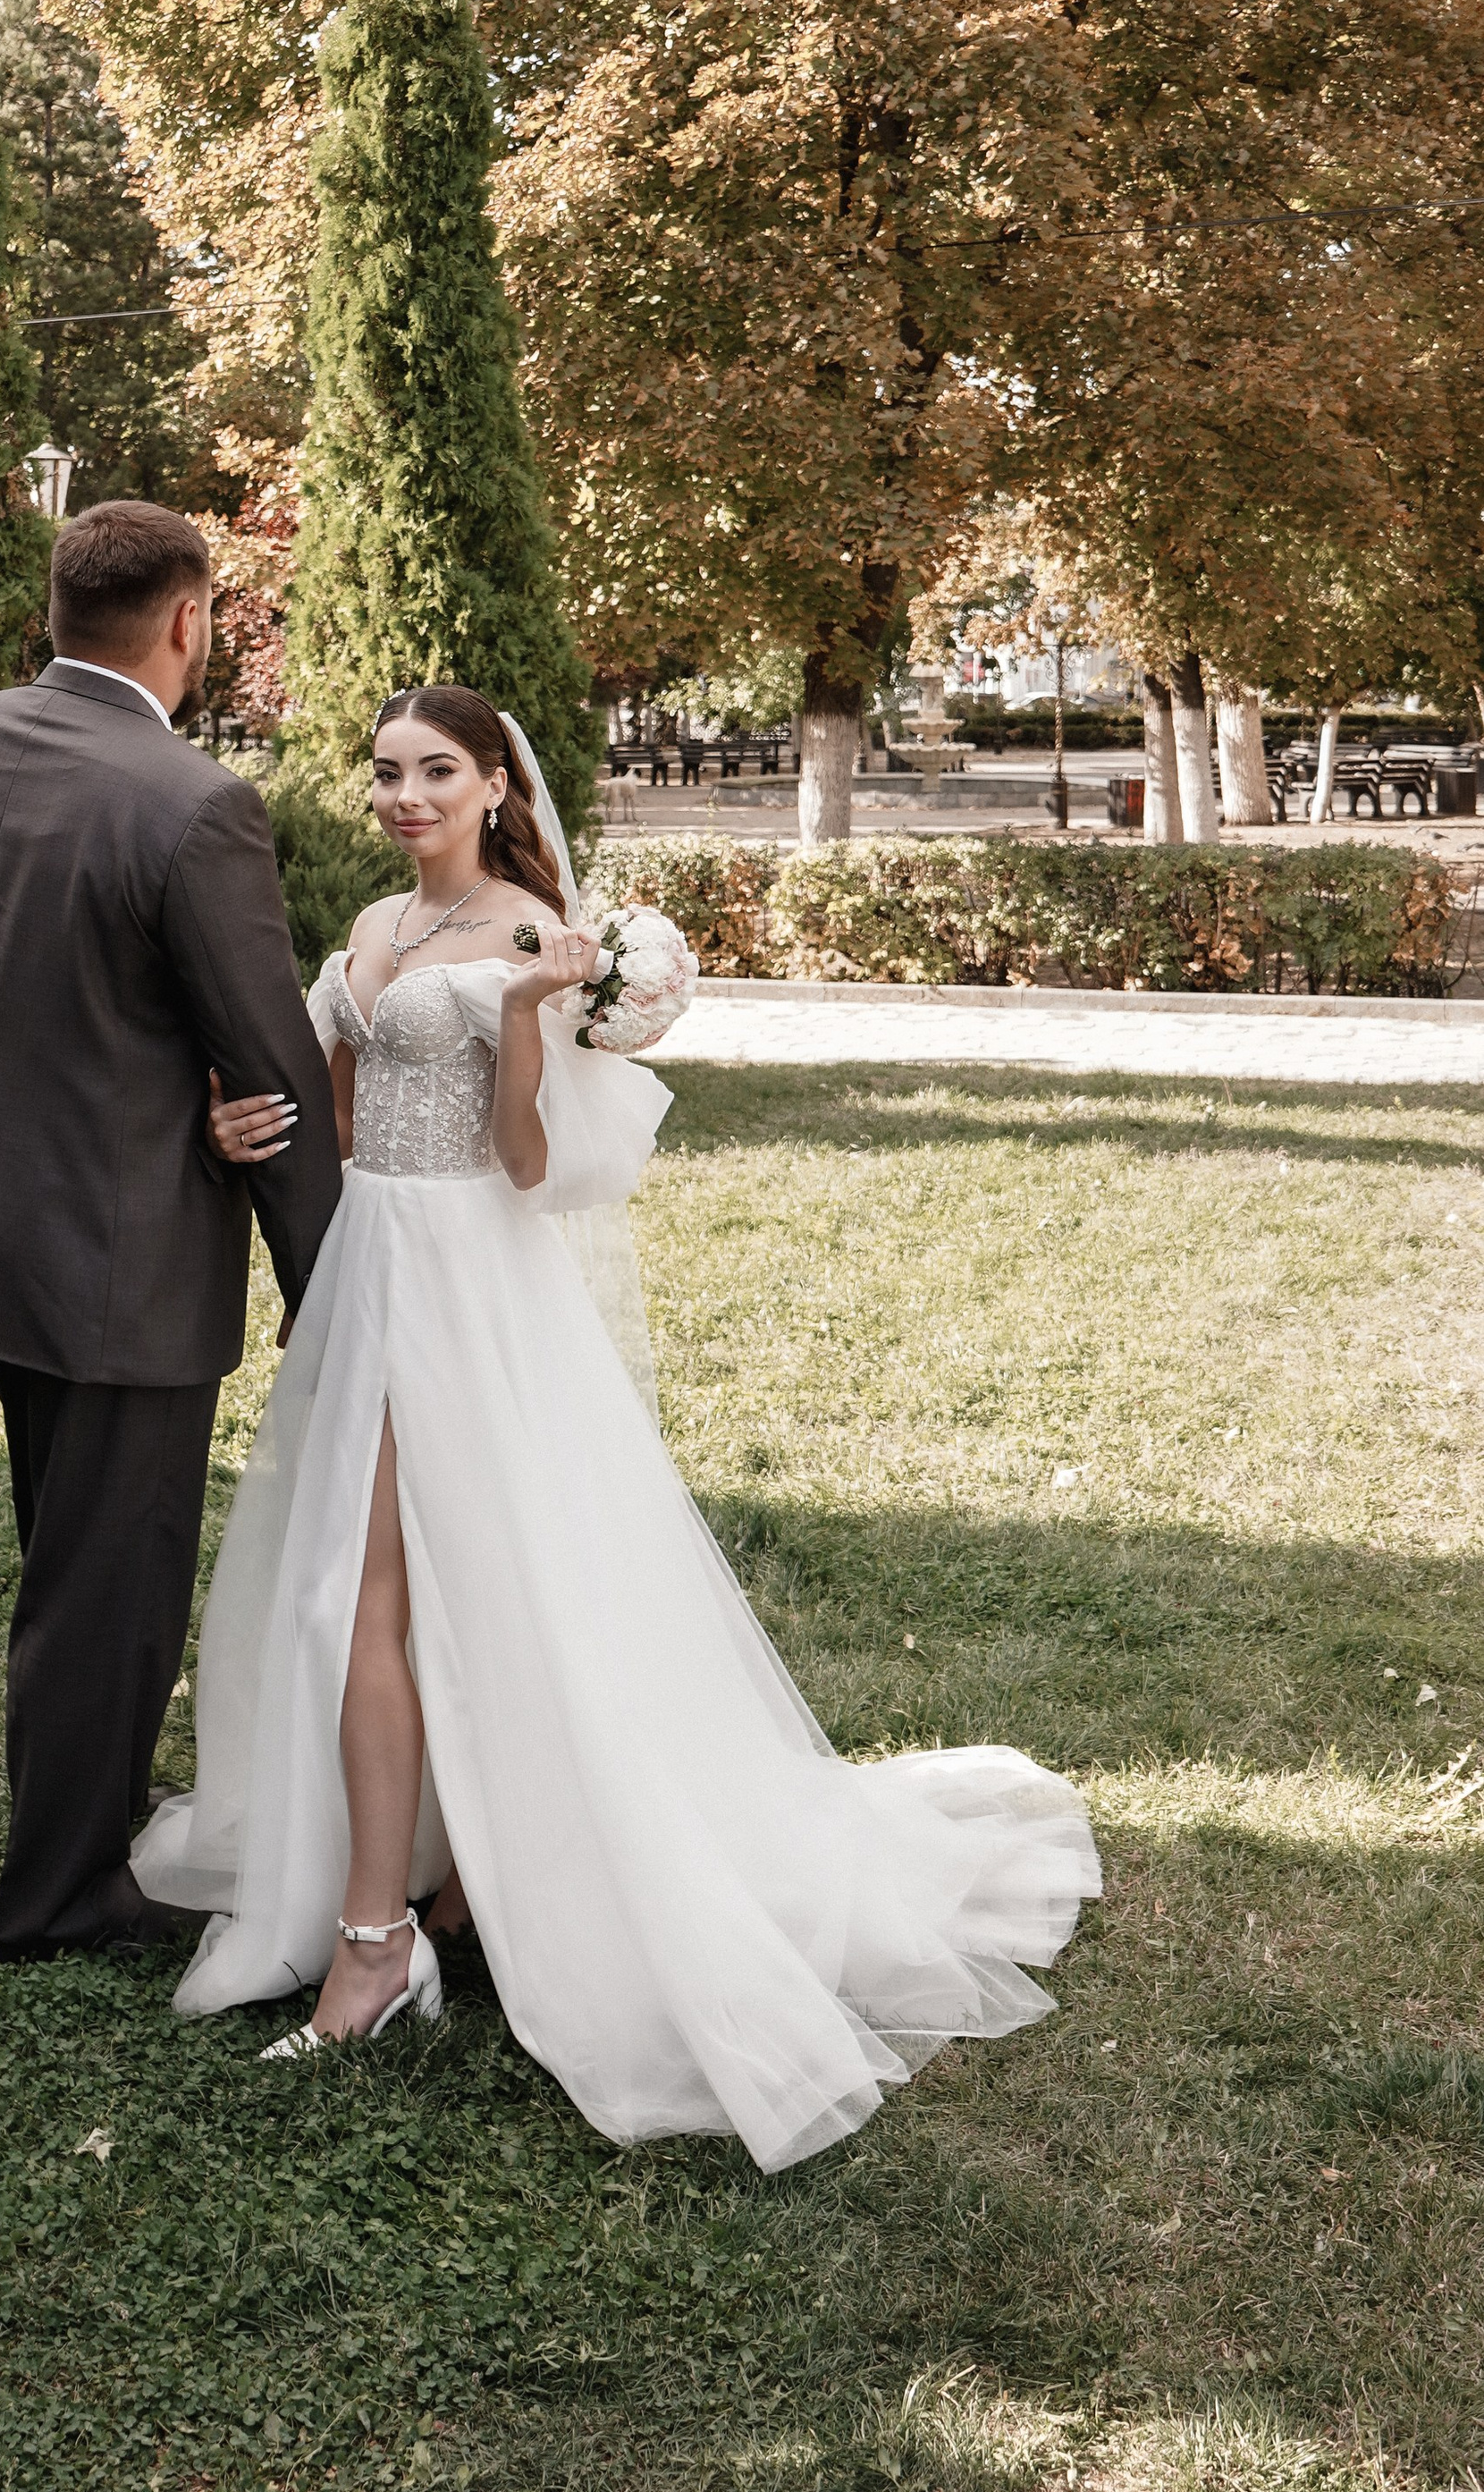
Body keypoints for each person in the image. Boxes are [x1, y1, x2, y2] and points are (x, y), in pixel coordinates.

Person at [139, 682, 1099, 2168]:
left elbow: (530, 1161)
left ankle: (380, 1943)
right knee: (366, 1593)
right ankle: (417, 1897)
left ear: (491, 785)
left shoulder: (534, 934)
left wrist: (527, 1022)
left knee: (397, 1596)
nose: (404, 796)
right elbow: (335, 1126)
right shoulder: (376, 932)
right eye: (386, 772)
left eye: (434, 771)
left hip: (472, 1286)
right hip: (371, 1279)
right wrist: (231, 1133)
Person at [0, 500, 343, 1964]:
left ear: (60, 608)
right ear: (189, 621)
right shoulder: (195, 801)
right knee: (115, 1576)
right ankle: (66, 1892)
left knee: (68, 1546)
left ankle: (83, 1813)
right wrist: (333, 1284)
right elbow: (270, 1069)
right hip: (123, 1252)